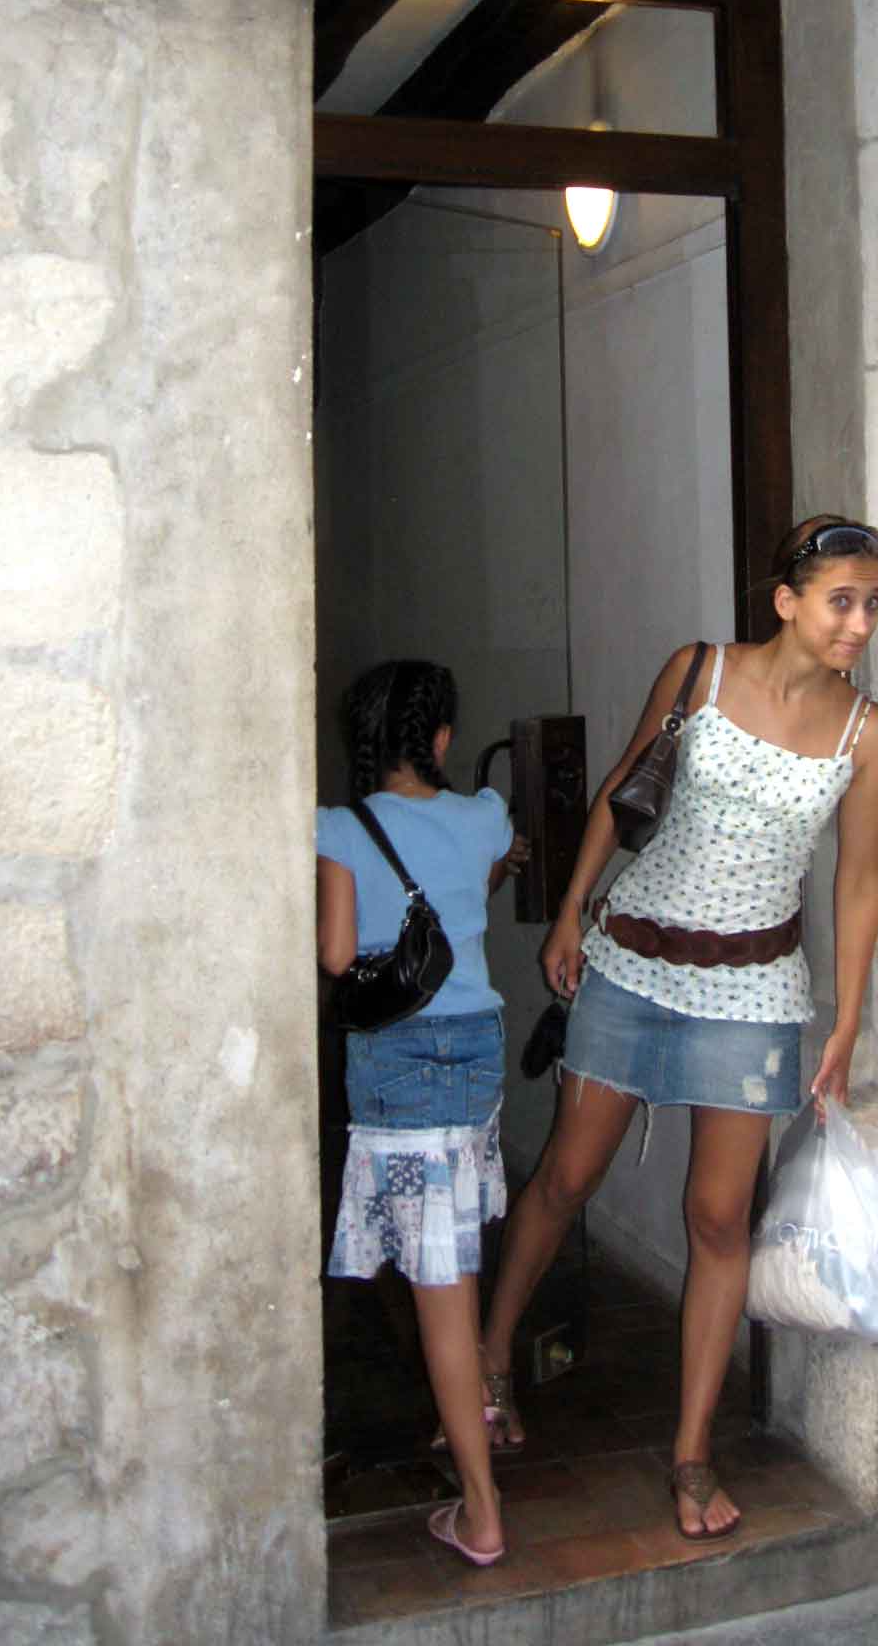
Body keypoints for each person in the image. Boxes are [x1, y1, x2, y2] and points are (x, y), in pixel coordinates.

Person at [478, 515, 878, 1541]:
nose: (859, 623)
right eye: (842, 600)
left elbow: (857, 879)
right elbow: (624, 795)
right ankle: (487, 1362)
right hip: (630, 965)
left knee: (718, 1220)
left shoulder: (866, 732)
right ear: (787, 600)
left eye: (873, 604)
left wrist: (844, 1017)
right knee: (567, 1177)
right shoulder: (700, 671)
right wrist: (571, 910)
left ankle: (693, 1451)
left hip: (754, 993)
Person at [317, 659, 521, 1569]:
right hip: (476, 1054)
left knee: (440, 1293)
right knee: (455, 1268)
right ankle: (468, 1421)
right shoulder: (483, 817)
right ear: (440, 738)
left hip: (398, 1064)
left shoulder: (337, 828)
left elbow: (336, 956)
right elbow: (477, 887)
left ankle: (482, 1511)